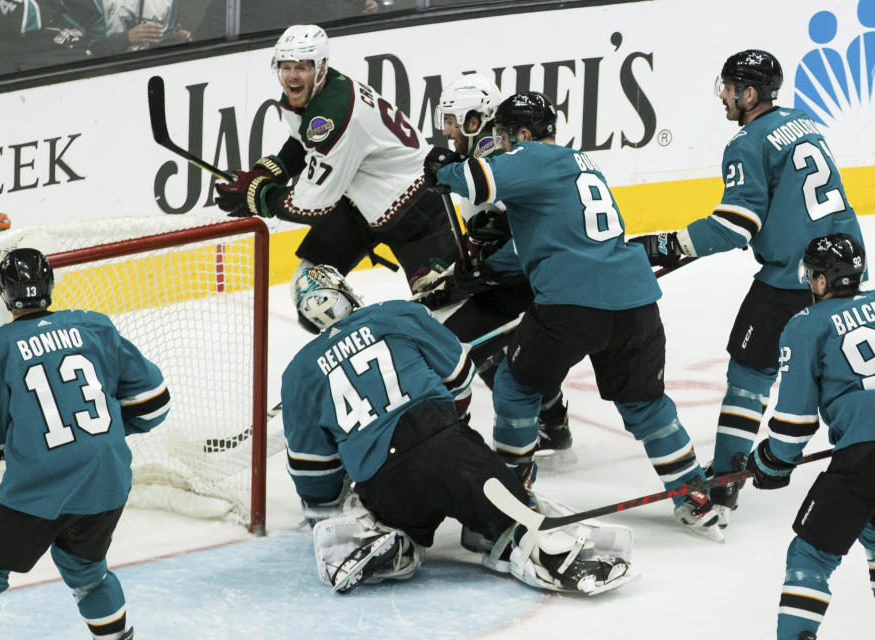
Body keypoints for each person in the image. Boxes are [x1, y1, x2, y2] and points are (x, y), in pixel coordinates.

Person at [428, 91, 723, 540]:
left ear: (524, 134)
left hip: (571, 305)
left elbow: (472, 179)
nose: (503, 144)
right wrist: (489, 267)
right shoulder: (581, 161)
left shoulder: (531, 157)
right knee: (645, 404)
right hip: (636, 301)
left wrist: (439, 168)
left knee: (515, 384)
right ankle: (693, 494)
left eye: (506, 136)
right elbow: (551, 235)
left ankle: (513, 492)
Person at [279, 264, 635, 594]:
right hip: (450, 452)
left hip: (383, 482)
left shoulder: (298, 372)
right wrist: (451, 431)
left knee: (378, 509)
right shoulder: (398, 313)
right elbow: (461, 378)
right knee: (514, 513)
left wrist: (324, 508)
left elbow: (313, 470)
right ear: (348, 292)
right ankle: (524, 543)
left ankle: (393, 540)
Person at [629, 49, 864, 528]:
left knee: (749, 372)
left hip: (793, 276)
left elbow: (735, 225)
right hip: (846, 262)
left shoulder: (746, 142)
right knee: (847, 362)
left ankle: (727, 478)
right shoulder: (801, 120)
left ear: (749, 94)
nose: (723, 96)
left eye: (730, 88)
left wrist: (668, 244)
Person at [0, 248, 170, 640]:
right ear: (50, 286)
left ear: (3, 293)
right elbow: (155, 404)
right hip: (109, 481)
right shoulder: (94, 326)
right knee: (86, 571)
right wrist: (102, 434)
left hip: (39, 492)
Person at [213, 24, 457, 331]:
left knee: (450, 318)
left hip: (416, 213)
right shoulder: (318, 93)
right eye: (285, 67)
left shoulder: (334, 114)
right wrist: (270, 171)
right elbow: (304, 143)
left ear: (321, 67)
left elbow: (313, 205)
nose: (291, 76)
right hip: (358, 207)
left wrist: (258, 197)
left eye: (301, 67)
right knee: (313, 295)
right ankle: (361, 352)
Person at [416, 74, 575, 476]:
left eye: (453, 120)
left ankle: (446, 444)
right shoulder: (483, 157)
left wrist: (479, 272)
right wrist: (457, 273)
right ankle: (552, 425)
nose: (446, 129)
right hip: (509, 278)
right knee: (497, 355)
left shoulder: (497, 160)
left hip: (525, 283)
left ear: (477, 120)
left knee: (450, 349)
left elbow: (522, 240)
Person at [746, 233, 873, 640]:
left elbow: (795, 422)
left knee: (811, 557)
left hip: (864, 461)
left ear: (821, 281)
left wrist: (771, 460)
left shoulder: (805, 326)